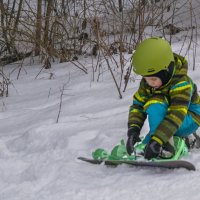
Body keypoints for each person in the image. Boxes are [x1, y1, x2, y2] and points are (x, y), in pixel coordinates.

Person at [126, 37, 200, 160]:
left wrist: (158, 140)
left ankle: (167, 146)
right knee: (150, 139)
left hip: (190, 117)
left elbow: (177, 113)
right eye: (146, 79)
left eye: (153, 79)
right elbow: (138, 105)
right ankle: (184, 140)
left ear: (166, 71)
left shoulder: (181, 83)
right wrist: (133, 129)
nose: (150, 83)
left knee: (155, 104)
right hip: (171, 119)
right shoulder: (149, 83)